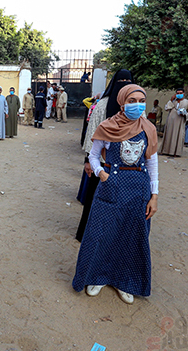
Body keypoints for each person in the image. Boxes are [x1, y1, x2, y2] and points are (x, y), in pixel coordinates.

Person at [72, 84, 159, 305]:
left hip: (138, 189)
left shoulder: (148, 128)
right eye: (131, 101)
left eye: (141, 100)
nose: (137, 105)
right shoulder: (107, 126)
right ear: (122, 102)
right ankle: (97, 277)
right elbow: (93, 156)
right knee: (102, 232)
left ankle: (125, 281)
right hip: (111, 184)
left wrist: (154, 195)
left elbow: (152, 162)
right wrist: (101, 173)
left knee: (131, 235)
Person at [76, 69, 134, 241]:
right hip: (101, 163)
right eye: (120, 80)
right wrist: (88, 160)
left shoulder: (135, 108)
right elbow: (92, 133)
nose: (124, 83)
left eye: (127, 80)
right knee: (95, 199)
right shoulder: (102, 105)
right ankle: (87, 234)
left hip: (126, 164)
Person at [159, 87, 188, 157]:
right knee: (169, 134)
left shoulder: (187, 102)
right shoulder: (173, 101)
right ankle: (165, 150)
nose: (179, 94)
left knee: (178, 135)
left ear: (184, 93)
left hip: (180, 120)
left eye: (181, 93)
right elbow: (167, 108)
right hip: (170, 120)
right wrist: (171, 99)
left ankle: (175, 152)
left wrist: (185, 115)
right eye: (177, 93)